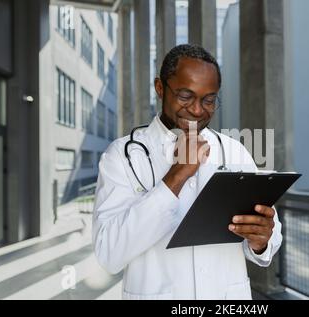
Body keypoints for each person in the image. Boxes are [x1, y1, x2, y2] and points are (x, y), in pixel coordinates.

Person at [92, 44, 282, 300]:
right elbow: (109, 254)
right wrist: (176, 177)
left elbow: (269, 235)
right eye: (185, 96)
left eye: (209, 100)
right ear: (160, 88)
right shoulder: (121, 156)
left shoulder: (234, 152)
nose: (197, 110)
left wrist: (262, 240)